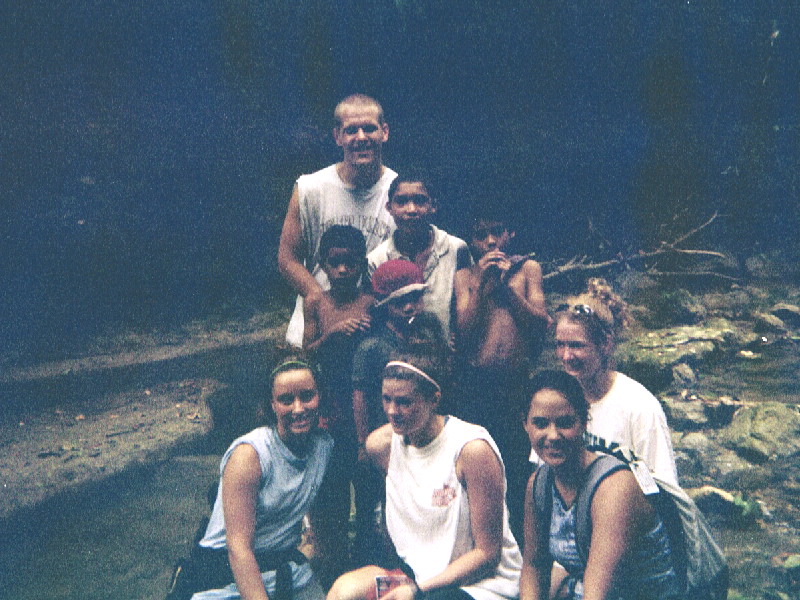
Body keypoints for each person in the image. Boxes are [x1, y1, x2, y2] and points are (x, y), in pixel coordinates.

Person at [327, 357, 522, 600]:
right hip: (418, 577)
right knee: (343, 591)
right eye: (386, 399)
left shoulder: (471, 450)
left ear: (434, 399)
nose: (391, 411)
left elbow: (487, 554)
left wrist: (418, 591)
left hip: (480, 585)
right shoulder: (382, 446)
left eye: (404, 402)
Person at [521, 370, 681, 600]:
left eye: (565, 423)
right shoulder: (538, 485)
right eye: (540, 423)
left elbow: (598, 594)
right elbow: (534, 565)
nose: (553, 435)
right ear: (525, 424)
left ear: (585, 421)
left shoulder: (614, 489)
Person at [183, 358, 334, 600]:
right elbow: (239, 548)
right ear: (272, 404)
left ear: (320, 396)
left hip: (284, 568)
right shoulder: (251, 455)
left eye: (307, 396)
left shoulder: (323, 447)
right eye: (286, 400)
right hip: (226, 575)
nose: (298, 409)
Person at [453, 207, 551, 540]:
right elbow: (464, 334)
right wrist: (481, 286)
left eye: (498, 231)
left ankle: (524, 541)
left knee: (517, 462)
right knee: (479, 462)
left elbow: (540, 324)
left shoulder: (527, 270)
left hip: (516, 385)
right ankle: (481, 539)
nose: (492, 241)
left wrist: (507, 288)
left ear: (509, 233)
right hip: (476, 386)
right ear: (471, 241)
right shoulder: (465, 277)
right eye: (482, 235)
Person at [350, 260, 450, 564]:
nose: (409, 308)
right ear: (386, 306)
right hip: (382, 437)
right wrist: (361, 443)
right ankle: (374, 563)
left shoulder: (428, 335)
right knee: (377, 508)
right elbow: (360, 395)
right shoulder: (372, 346)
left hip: (420, 438)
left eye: (414, 299)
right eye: (400, 302)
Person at [279, 94, 397, 347]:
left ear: (384, 132)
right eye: (351, 130)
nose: (361, 137)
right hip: (317, 317)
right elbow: (287, 258)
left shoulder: (402, 194)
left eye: (369, 128)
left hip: (375, 320)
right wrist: (320, 300)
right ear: (338, 136)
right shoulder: (310, 188)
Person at [544, 278, 678, 487]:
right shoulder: (556, 400)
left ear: (605, 344)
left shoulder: (639, 407)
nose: (566, 356)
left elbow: (660, 488)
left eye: (576, 346)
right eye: (560, 345)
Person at [303, 225, 374, 575]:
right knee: (331, 486)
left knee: (366, 486)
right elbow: (306, 354)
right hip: (329, 407)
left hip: (362, 407)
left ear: (362, 263)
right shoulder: (315, 302)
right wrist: (330, 335)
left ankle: (365, 554)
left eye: (350, 263)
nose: (343, 270)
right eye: (335, 263)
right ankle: (332, 559)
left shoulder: (371, 302)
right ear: (323, 264)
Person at [367, 173, 473, 343]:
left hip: (446, 356)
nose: (411, 210)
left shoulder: (455, 248)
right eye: (401, 201)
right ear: (389, 208)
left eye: (420, 201)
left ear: (433, 206)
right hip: (397, 359)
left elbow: (466, 309)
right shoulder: (376, 260)